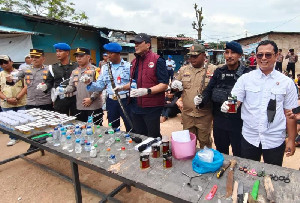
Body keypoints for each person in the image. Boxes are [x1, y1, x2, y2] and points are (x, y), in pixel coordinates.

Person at [222, 40, 298, 166]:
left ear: (276, 56)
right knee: (248, 174)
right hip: (249, 138)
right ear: (256, 56)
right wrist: (229, 106)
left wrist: (290, 139)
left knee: (273, 174)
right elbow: (234, 103)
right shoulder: (245, 79)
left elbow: (290, 114)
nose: (263, 58)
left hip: (274, 139)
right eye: (259, 55)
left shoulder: (287, 83)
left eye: (268, 55)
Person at [194, 41, 250, 156]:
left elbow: (249, 97)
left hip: (239, 123)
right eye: (227, 52)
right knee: (221, 154)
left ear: (240, 55)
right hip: (220, 122)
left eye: (233, 53)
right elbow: (209, 90)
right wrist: (201, 99)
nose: (229, 56)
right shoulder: (219, 72)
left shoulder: (247, 73)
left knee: (239, 155)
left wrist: (232, 104)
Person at [114, 33, 169, 138]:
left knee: (153, 136)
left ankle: (154, 153)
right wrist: (121, 87)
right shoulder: (134, 61)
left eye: (139, 43)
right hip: (135, 105)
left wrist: (147, 91)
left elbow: (164, 84)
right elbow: (134, 82)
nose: (136, 45)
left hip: (151, 107)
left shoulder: (157, 60)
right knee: (139, 135)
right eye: (135, 43)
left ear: (148, 45)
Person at [172, 44, 213, 148]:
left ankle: (205, 162)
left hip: (204, 116)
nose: (192, 59)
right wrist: (174, 85)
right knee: (188, 142)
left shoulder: (213, 70)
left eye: (195, 56)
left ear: (204, 56)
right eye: (190, 56)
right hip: (187, 115)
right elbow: (174, 88)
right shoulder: (183, 70)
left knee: (205, 142)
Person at [86, 43, 131, 131]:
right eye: (107, 53)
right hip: (111, 101)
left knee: (130, 124)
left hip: (125, 100)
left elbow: (134, 83)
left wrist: (124, 87)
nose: (108, 56)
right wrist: (89, 83)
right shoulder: (105, 68)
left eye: (111, 53)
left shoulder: (128, 66)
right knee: (113, 126)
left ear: (118, 54)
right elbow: (100, 85)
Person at [63, 47, 103, 124]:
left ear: (88, 57)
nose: (78, 58)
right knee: (81, 128)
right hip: (80, 106)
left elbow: (100, 87)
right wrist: (64, 90)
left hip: (93, 106)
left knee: (96, 129)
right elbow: (72, 86)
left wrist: (91, 99)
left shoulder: (96, 70)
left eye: (81, 56)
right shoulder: (75, 71)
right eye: (77, 56)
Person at [38, 43, 78, 116]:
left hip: (75, 98)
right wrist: (45, 87)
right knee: (60, 120)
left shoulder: (76, 66)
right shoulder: (53, 67)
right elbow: (49, 82)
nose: (58, 53)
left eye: (60, 51)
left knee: (77, 120)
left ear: (67, 53)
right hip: (60, 99)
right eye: (56, 51)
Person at [0, 55, 27, 146]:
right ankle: (13, 138)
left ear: (11, 62)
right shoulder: (0, 75)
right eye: (1, 63)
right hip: (6, 104)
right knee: (9, 123)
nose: (3, 64)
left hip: (21, 102)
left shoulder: (21, 73)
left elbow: (26, 86)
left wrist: (17, 98)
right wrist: (7, 99)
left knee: (24, 120)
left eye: (5, 62)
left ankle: (25, 137)